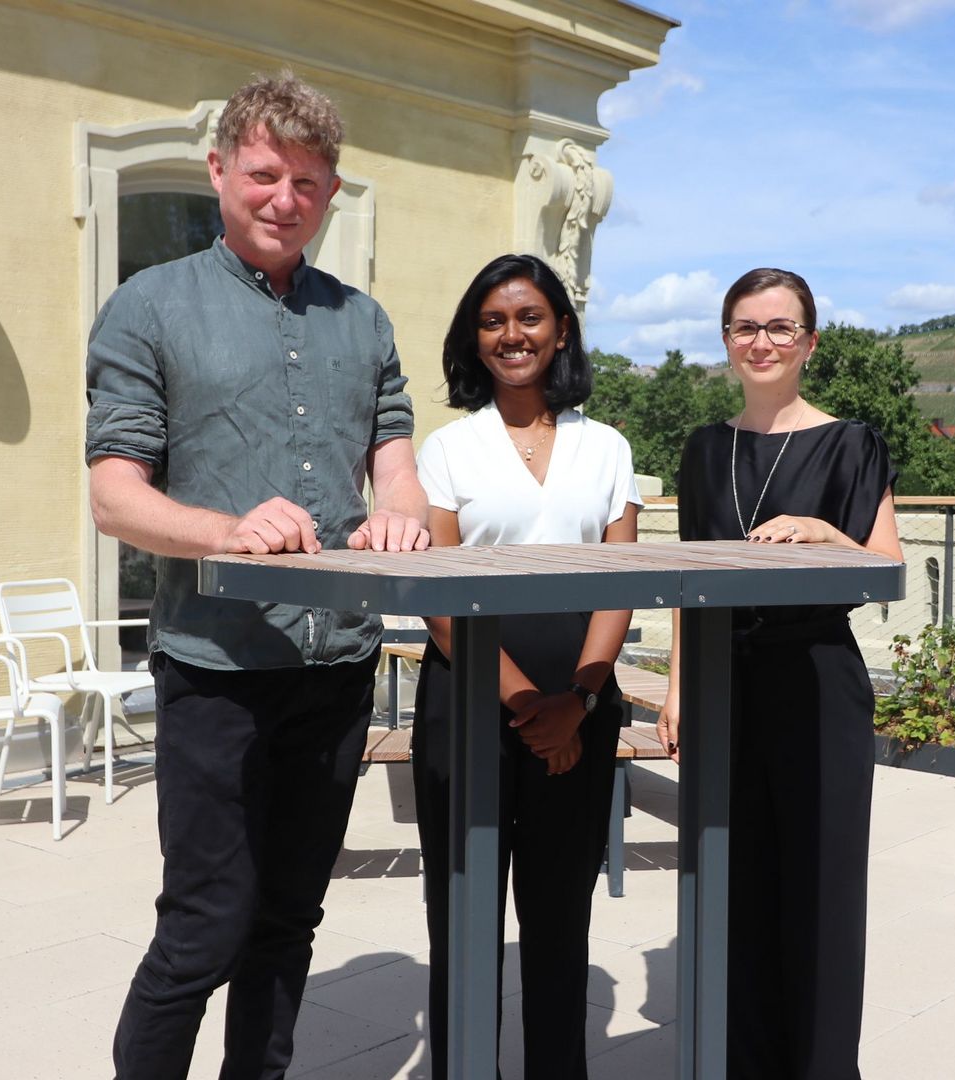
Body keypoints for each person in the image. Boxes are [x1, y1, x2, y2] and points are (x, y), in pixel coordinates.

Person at [85, 72, 430, 1080]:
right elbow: (115, 499)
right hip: (217, 670)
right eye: (265, 175)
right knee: (205, 929)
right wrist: (230, 529)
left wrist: (397, 518)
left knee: (289, 921)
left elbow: (397, 466)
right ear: (220, 171)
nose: (286, 199)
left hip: (338, 670)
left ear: (331, 193)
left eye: (310, 184)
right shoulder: (148, 306)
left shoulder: (363, 322)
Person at [655, 268, 901, 1080]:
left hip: (816, 682)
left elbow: (886, 568)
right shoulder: (703, 448)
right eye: (744, 327)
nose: (761, 342)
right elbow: (691, 585)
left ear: (810, 343)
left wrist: (828, 532)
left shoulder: (852, 442)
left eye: (779, 327)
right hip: (726, 684)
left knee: (821, 888)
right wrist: (679, 689)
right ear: (725, 340)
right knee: (735, 880)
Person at [410, 253, 641, 1077]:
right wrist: (523, 704)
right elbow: (436, 593)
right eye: (493, 321)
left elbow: (621, 582)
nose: (513, 334)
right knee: (464, 915)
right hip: (470, 703)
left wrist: (577, 699)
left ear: (562, 330)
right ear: (474, 340)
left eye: (530, 317)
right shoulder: (446, 448)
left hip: (582, 705)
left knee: (558, 918)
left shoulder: (607, 447)